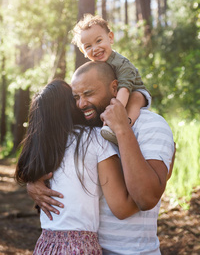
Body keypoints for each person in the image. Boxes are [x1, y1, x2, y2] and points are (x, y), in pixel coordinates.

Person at [27, 62, 175, 255]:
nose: (81, 104)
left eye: (88, 94)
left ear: (114, 88)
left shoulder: (152, 126)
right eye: (76, 97)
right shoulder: (89, 132)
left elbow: (147, 199)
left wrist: (122, 128)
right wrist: (33, 182)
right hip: (87, 249)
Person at [15, 79, 139, 254]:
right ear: (69, 107)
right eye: (74, 98)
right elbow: (122, 208)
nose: (80, 103)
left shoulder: (43, 150)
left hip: (45, 246)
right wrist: (157, 183)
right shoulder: (95, 139)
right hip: (80, 247)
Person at [71, 14, 151, 145]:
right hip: (115, 93)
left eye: (98, 41)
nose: (95, 48)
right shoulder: (93, 69)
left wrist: (115, 112)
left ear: (110, 38)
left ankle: (125, 125)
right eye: (88, 46)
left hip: (134, 90)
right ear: (82, 50)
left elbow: (124, 89)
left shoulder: (121, 63)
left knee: (135, 99)